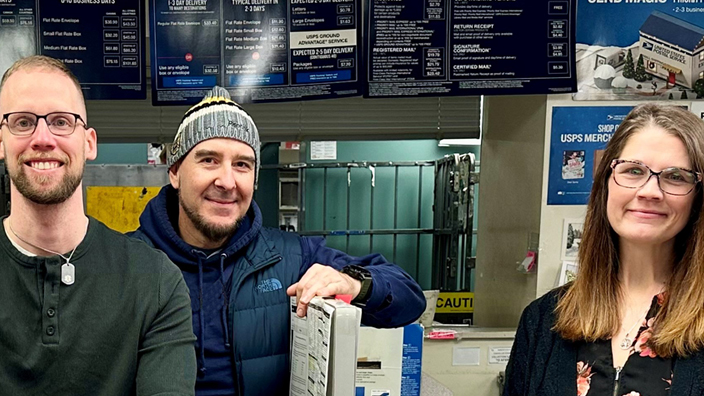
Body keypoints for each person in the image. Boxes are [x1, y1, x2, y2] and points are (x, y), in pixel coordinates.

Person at [130, 86, 426, 395]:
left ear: (255, 179)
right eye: (209, 160)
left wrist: (353, 284)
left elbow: (410, 299)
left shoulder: (293, 258)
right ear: (175, 172)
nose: (227, 181)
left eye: (242, 164)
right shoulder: (124, 262)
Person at [0, 55, 197, 395]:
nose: (43, 138)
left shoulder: (154, 282)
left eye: (61, 121)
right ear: (1, 142)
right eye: (22, 122)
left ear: (89, 142)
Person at [503, 103, 704, 396]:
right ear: (606, 184)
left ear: (697, 198)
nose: (649, 191)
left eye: (675, 176)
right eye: (634, 170)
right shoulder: (543, 320)